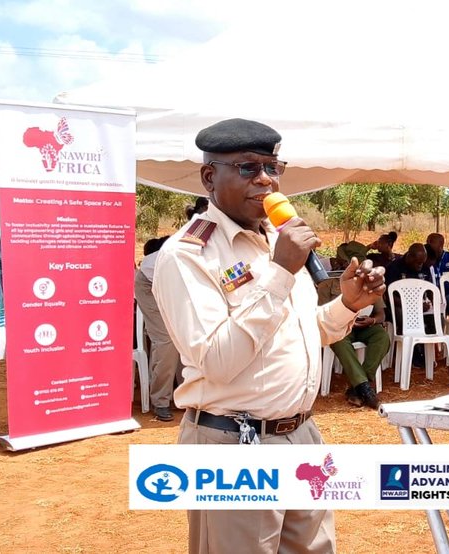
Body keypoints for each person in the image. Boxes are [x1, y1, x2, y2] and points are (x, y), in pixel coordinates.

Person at [152, 118, 386, 554]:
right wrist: (280, 272)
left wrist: (347, 304)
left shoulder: (278, 239)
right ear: (209, 177)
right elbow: (218, 361)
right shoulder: (189, 254)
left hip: (302, 435)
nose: (265, 179)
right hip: (235, 444)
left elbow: (299, 333)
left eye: (273, 166)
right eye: (247, 168)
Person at [317, 278, 390, 409]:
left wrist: (372, 320)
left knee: (382, 337)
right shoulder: (326, 285)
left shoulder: (369, 285)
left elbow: (381, 315)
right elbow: (321, 315)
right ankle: (365, 389)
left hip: (364, 326)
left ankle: (358, 387)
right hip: (340, 328)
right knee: (338, 340)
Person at [134, 235, 181, 421]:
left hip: (169, 284)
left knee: (185, 336)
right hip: (149, 283)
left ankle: (183, 396)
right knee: (166, 341)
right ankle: (160, 401)